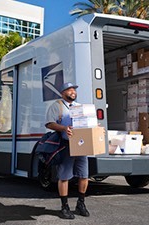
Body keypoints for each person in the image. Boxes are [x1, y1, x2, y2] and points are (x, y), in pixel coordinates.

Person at [44, 82, 90, 219]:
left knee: (84, 175)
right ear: (62, 92)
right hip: (65, 144)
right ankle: (64, 207)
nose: (73, 92)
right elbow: (49, 123)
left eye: (74, 90)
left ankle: (81, 203)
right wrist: (64, 128)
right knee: (64, 177)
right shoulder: (56, 106)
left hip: (81, 144)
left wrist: (95, 127)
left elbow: (86, 122)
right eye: (69, 90)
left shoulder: (80, 107)